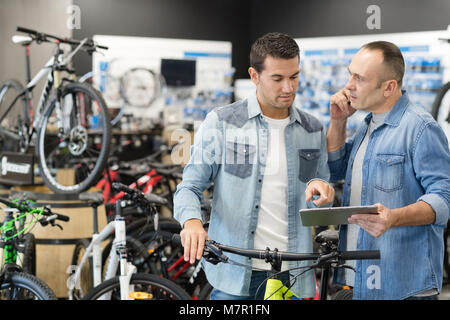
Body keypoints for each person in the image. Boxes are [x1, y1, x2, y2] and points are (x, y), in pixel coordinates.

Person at [173, 32, 335, 300]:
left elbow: (323, 200)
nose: (288, 88)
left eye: (294, 77)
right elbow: (189, 186)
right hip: (236, 272)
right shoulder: (222, 123)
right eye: (278, 78)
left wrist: (323, 190)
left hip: (292, 272)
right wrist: (191, 222)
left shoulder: (313, 129)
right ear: (254, 75)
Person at [327, 40, 450, 300]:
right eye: (350, 74)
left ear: (389, 87)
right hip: (362, 279)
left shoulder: (420, 128)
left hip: (404, 286)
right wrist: (338, 122)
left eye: (359, 78)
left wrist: (394, 216)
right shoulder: (366, 125)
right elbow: (337, 169)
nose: (348, 85)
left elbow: (445, 198)